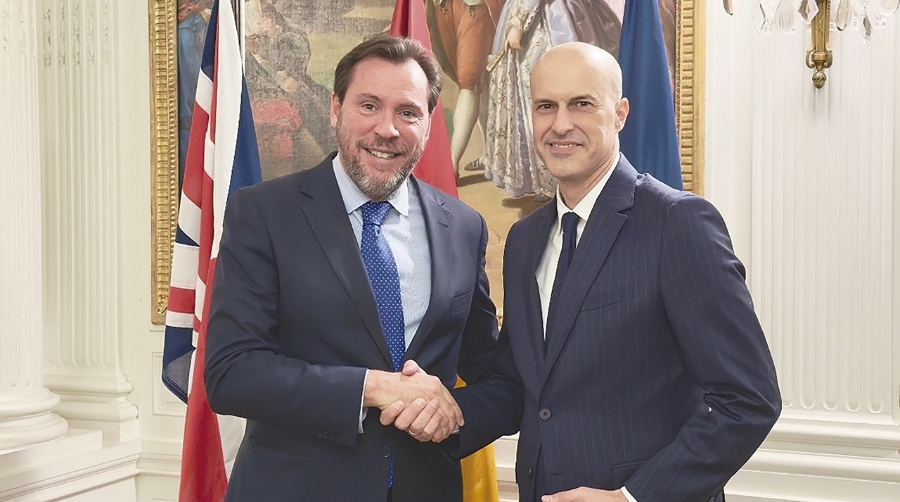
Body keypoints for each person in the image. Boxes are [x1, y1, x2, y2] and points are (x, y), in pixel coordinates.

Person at [394, 42, 782, 502]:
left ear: (619, 113)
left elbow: (748, 398)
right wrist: (445, 410)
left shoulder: (678, 223)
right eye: (545, 106)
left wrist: (631, 498)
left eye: (581, 104)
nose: (561, 124)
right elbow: (523, 385)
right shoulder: (525, 240)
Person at [204, 34, 521, 502]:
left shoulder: (463, 227)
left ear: (429, 123)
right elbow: (232, 373)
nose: (387, 129)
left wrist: (451, 411)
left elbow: (496, 375)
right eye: (368, 106)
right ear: (335, 108)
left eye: (407, 112)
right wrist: (371, 388)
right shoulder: (265, 213)